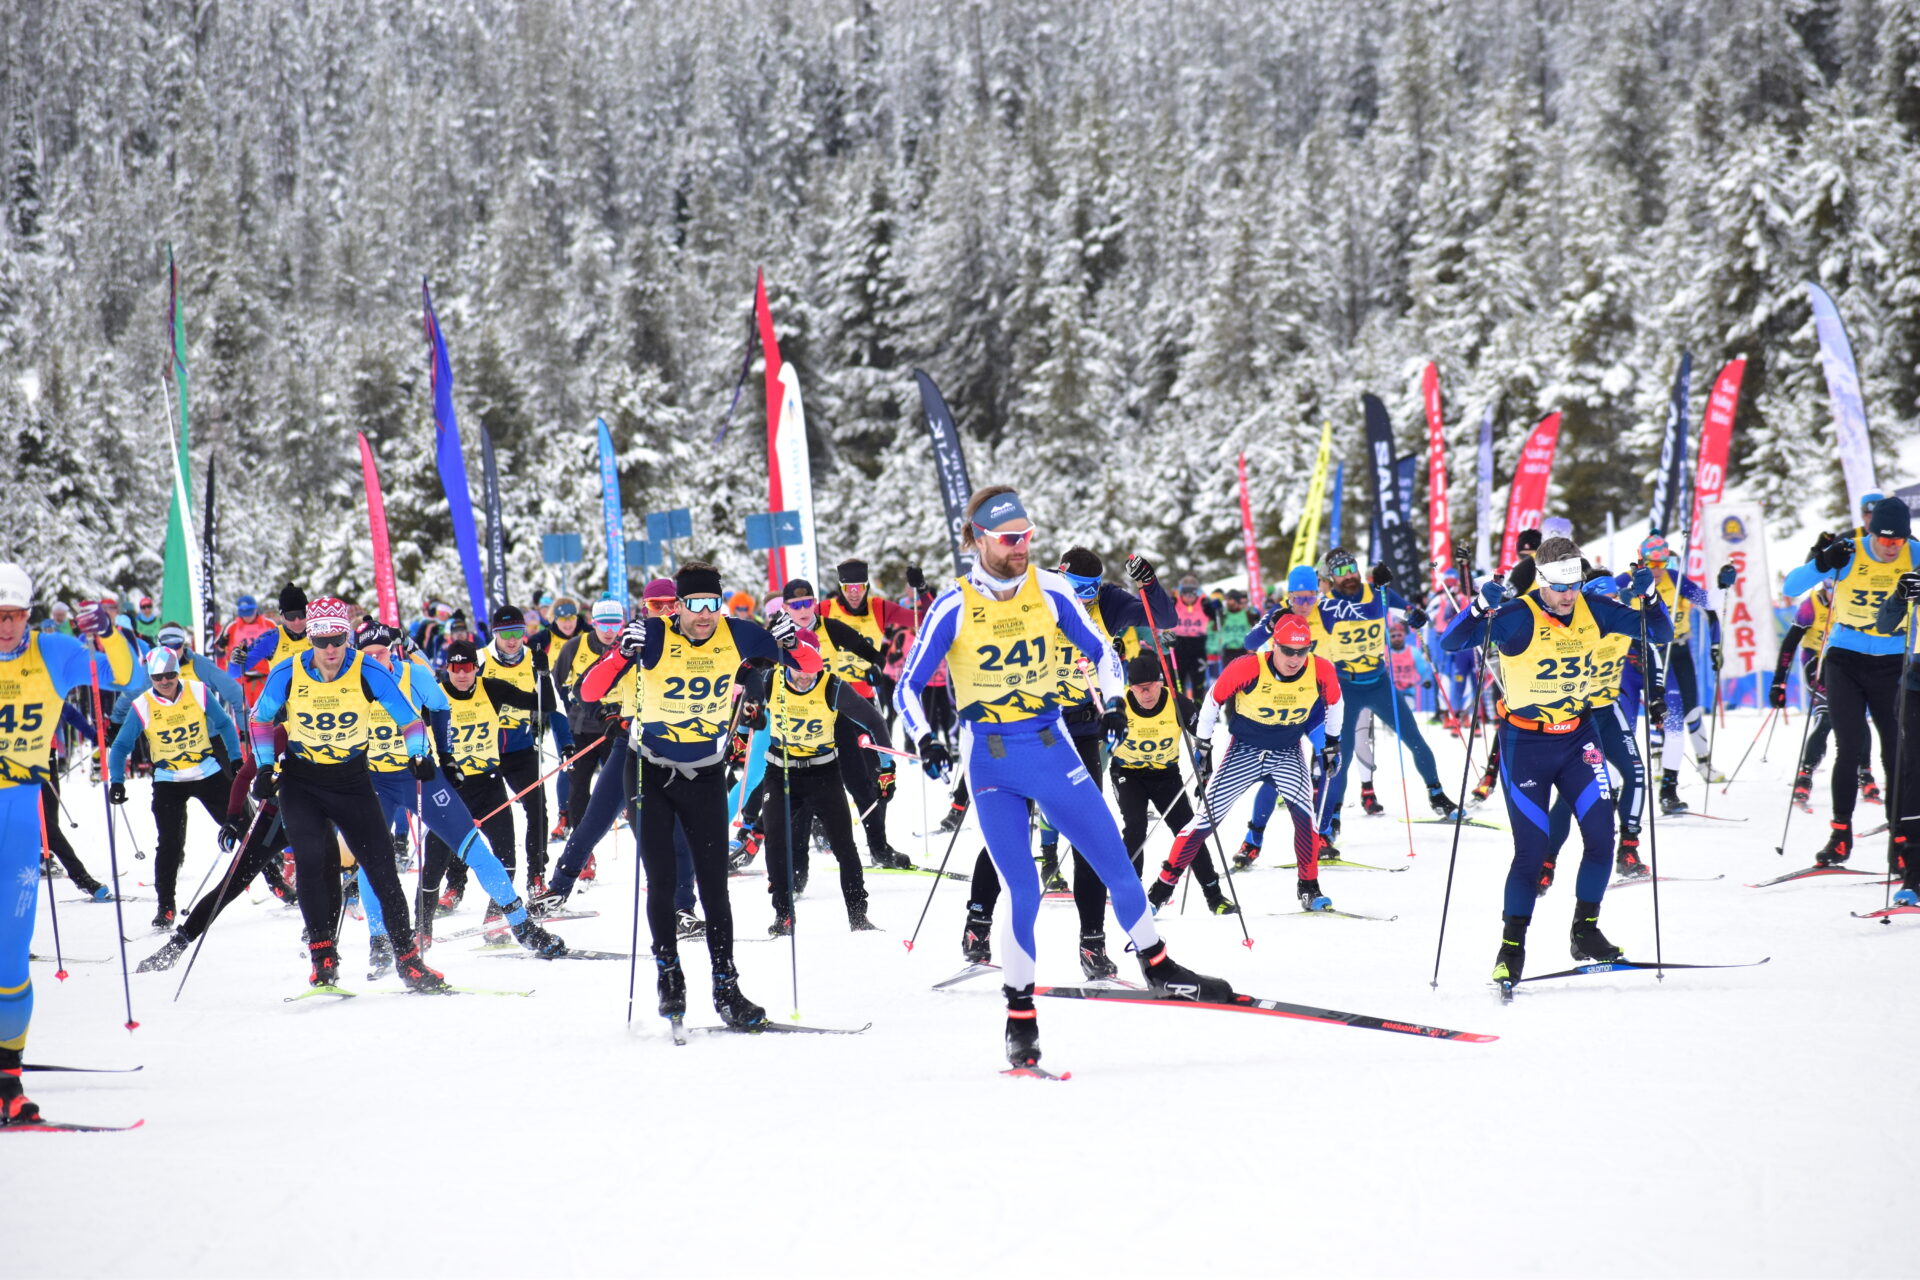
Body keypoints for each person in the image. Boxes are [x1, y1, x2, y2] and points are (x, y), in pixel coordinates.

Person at [895, 487, 1231, 1071]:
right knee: (1022, 888)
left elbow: (1101, 650)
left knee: (1115, 861)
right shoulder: (953, 605)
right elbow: (906, 686)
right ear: (977, 540)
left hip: (1053, 746)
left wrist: (1112, 705)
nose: (1022, 547)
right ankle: (1019, 1017)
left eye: (1027, 535)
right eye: (1009, 539)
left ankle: (1157, 964)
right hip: (992, 760)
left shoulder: (1050, 590)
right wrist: (925, 738)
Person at [577, 562, 821, 1030]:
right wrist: (620, 656)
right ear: (680, 606)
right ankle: (669, 974)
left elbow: (810, 665)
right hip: (647, 768)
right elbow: (591, 690)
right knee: (663, 880)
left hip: (705, 772)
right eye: (695, 605)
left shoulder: (741, 635)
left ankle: (726, 985)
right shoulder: (650, 634)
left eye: (713, 603)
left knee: (714, 885)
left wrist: (794, 640)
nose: (705, 615)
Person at [1442, 538, 1671, 986]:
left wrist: (1649, 596)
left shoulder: (1594, 609)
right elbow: (1453, 642)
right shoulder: (1517, 616)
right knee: (1531, 852)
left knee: (1603, 838)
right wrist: (1476, 609)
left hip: (1577, 739)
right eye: (1559, 586)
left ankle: (1585, 931)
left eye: (1574, 584)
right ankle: (1512, 946)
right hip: (1525, 745)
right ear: (1541, 580)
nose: (1568, 595)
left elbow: (1658, 631)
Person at [957, 545, 1173, 980]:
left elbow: (1163, 620)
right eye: (1076, 589)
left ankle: (1092, 942)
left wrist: (1148, 582)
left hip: (1082, 728)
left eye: (1089, 592)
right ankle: (977, 925)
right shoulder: (1042, 594)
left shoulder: (1108, 603)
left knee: (1090, 836)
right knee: (1012, 830)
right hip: (1029, 728)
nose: (1081, 600)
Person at [248, 596, 447, 992]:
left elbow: (409, 718)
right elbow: (260, 718)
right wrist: (266, 767)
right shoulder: (287, 671)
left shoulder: (367, 670)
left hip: (353, 780)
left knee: (382, 869)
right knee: (310, 862)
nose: (331, 649)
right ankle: (323, 957)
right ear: (310, 639)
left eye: (338, 639)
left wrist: (419, 755)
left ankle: (407, 960)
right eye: (322, 641)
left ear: (347, 637)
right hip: (302, 780)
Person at [0, 569, 126, 1126]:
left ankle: (9, 1080)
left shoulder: (52, 651)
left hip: (20, 813)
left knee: (9, 956)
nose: (5, 627)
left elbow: (124, 676)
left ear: (29, 614)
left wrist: (111, 632)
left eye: (14, 616)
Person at [1249, 548, 1453, 849]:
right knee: (1338, 759)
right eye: (1340, 571)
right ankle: (1332, 820)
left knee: (1414, 738)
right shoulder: (1330, 604)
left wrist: (1412, 613)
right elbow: (1262, 634)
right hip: (1345, 687)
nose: (1348, 575)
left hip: (1378, 681)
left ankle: (1437, 795)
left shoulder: (1376, 594)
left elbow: (1410, 612)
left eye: (1351, 568)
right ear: (1330, 579)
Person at [1151, 612, 1343, 913]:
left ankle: (1309, 887)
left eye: (1302, 651)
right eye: (1288, 651)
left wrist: (1332, 742)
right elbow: (1213, 700)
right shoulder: (1248, 667)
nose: (1295, 659)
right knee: (1204, 821)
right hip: (1245, 751)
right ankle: (1160, 890)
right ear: (1274, 645)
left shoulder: (1321, 670)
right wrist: (1203, 746)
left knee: (1306, 820)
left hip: (1287, 752)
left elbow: (1335, 702)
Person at [1780, 497, 1920, 867]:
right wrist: (1823, 562)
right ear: (1871, 533)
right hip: (1845, 658)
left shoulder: (1916, 554)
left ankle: (1901, 839)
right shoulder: (1850, 551)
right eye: (1885, 540)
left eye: (1899, 541)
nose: (1892, 547)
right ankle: (1840, 834)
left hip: (1894, 663)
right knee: (1850, 744)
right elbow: (1792, 586)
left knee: (1896, 752)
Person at [745, 641, 890, 935]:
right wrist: (745, 724)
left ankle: (858, 916)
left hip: (823, 773)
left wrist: (887, 766)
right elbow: (748, 703)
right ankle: (783, 915)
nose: (804, 677)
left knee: (844, 847)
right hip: (781, 772)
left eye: (812, 671)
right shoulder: (771, 679)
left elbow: (874, 719)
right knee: (775, 840)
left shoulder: (831, 686)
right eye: (798, 670)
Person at [107, 647, 245, 930]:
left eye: (170, 674)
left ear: (178, 672)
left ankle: (275, 879)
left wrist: (235, 758)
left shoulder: (197, 690)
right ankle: (165, 906)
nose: (165, 681)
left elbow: (224, 724)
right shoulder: (142, 704)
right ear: (151, 677)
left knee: (243, 825)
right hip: (169, 778)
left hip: (207, 771)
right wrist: (117, 780)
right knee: (169, 843)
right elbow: (120, 746)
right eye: (158, 677)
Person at [1536, 568, 1649, 891]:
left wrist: (1647, 589)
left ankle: (1628, 849)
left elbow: (1653, 637)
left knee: (1637, 774)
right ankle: (1547, 861)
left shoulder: (1623, 619)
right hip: (1579, 717)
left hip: (1609, 710)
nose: (1612, 604)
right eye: (1605, 598)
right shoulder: (1574, 626)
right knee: (1573, 794)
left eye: (1615, 597)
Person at [1109, 654, 1237, 913]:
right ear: (1130, 687)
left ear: (1160, 682)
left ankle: (1214, 896)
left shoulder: (1177, 703)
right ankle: (1132, 896)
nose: (1146, 694)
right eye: (1138, 688)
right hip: (1127, 773)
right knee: (1135, 827)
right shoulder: (1119, 703)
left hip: (1165, 774)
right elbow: (1100, 736)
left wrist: (1205, 770)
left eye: (1151, 686)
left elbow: (1203, 736)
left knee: (1188, 832)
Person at [1633, 532, 1726, 811]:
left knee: (1692, 707)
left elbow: (1710, 605)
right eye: (1652, 564)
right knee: (1664, 712)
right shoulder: (1629, 581)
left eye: (1662, 563)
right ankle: (1659, 764)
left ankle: (1696, 768)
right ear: (1642, 561)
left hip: (1679, 650)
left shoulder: (1676, 579)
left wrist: (1722, 586)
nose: (1658, 570)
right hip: (1650, 652)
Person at [478, 604, 559, 895]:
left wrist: (544, 674)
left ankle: (536, 876)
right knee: (471, 817)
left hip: (521, 750)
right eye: (504, 633)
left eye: (517, 633)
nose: (512, 640)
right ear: (494, 634)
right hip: (483, 752)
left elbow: (553, 705)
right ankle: (455, 883)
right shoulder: (480, 660)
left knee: (538, 810)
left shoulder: (534, 660)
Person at [227, 584, 311, 700]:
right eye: (291, 616)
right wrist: (235, 660)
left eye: (302, 614)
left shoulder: (319, 633)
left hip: (315, 704)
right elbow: (235, 673)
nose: (297, 621)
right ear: (282, 616)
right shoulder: (272, 638)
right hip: (284, 706)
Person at [1170, 574, 1214, 699]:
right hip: (1179, 646)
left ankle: (1199, 711)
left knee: (1198, 684)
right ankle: (1180, 710)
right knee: (1178, 683)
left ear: (1197, 593)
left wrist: (1215, 608)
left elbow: (1218, 619)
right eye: (1186, 594)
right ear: (1181, 593)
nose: (1189, 598)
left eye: (1192, 594)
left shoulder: (1204, 604)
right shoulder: (1174, 602)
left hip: (1198, 647)